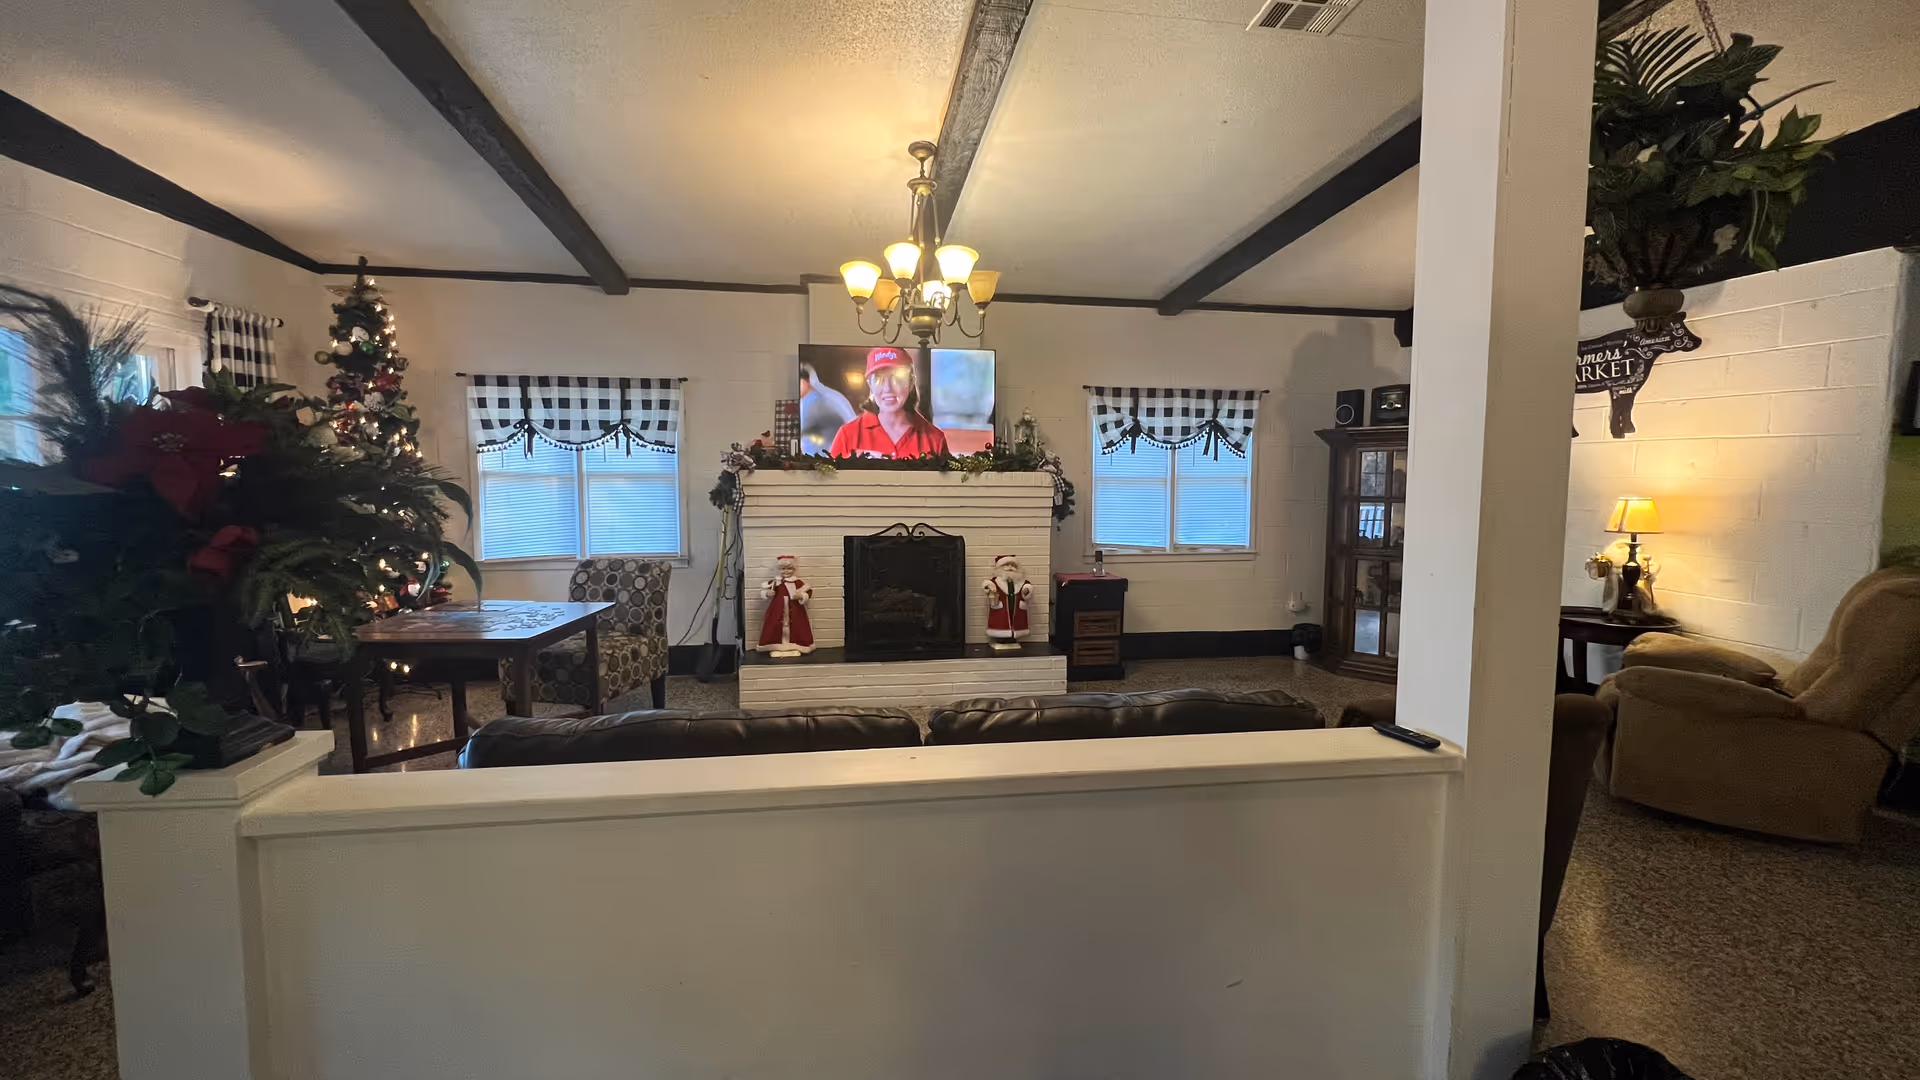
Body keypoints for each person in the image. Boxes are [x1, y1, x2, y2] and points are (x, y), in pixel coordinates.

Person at [827, 347, 949, 459]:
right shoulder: (848, 435)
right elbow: (830, 481)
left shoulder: (935, 439)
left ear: (911, 382)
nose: (887, 389)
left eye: (898, 378)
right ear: (870, 384)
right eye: (879, 379)